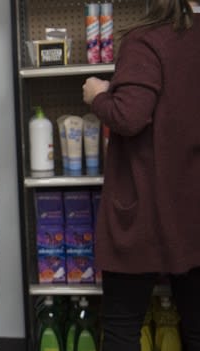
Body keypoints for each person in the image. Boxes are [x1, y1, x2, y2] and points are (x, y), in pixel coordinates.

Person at [81, 0, 200, 349]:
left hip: (145, 214)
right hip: (194, 212)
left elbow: (129, 117)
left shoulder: (149, 39)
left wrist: (99, 96)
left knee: (121, 327)